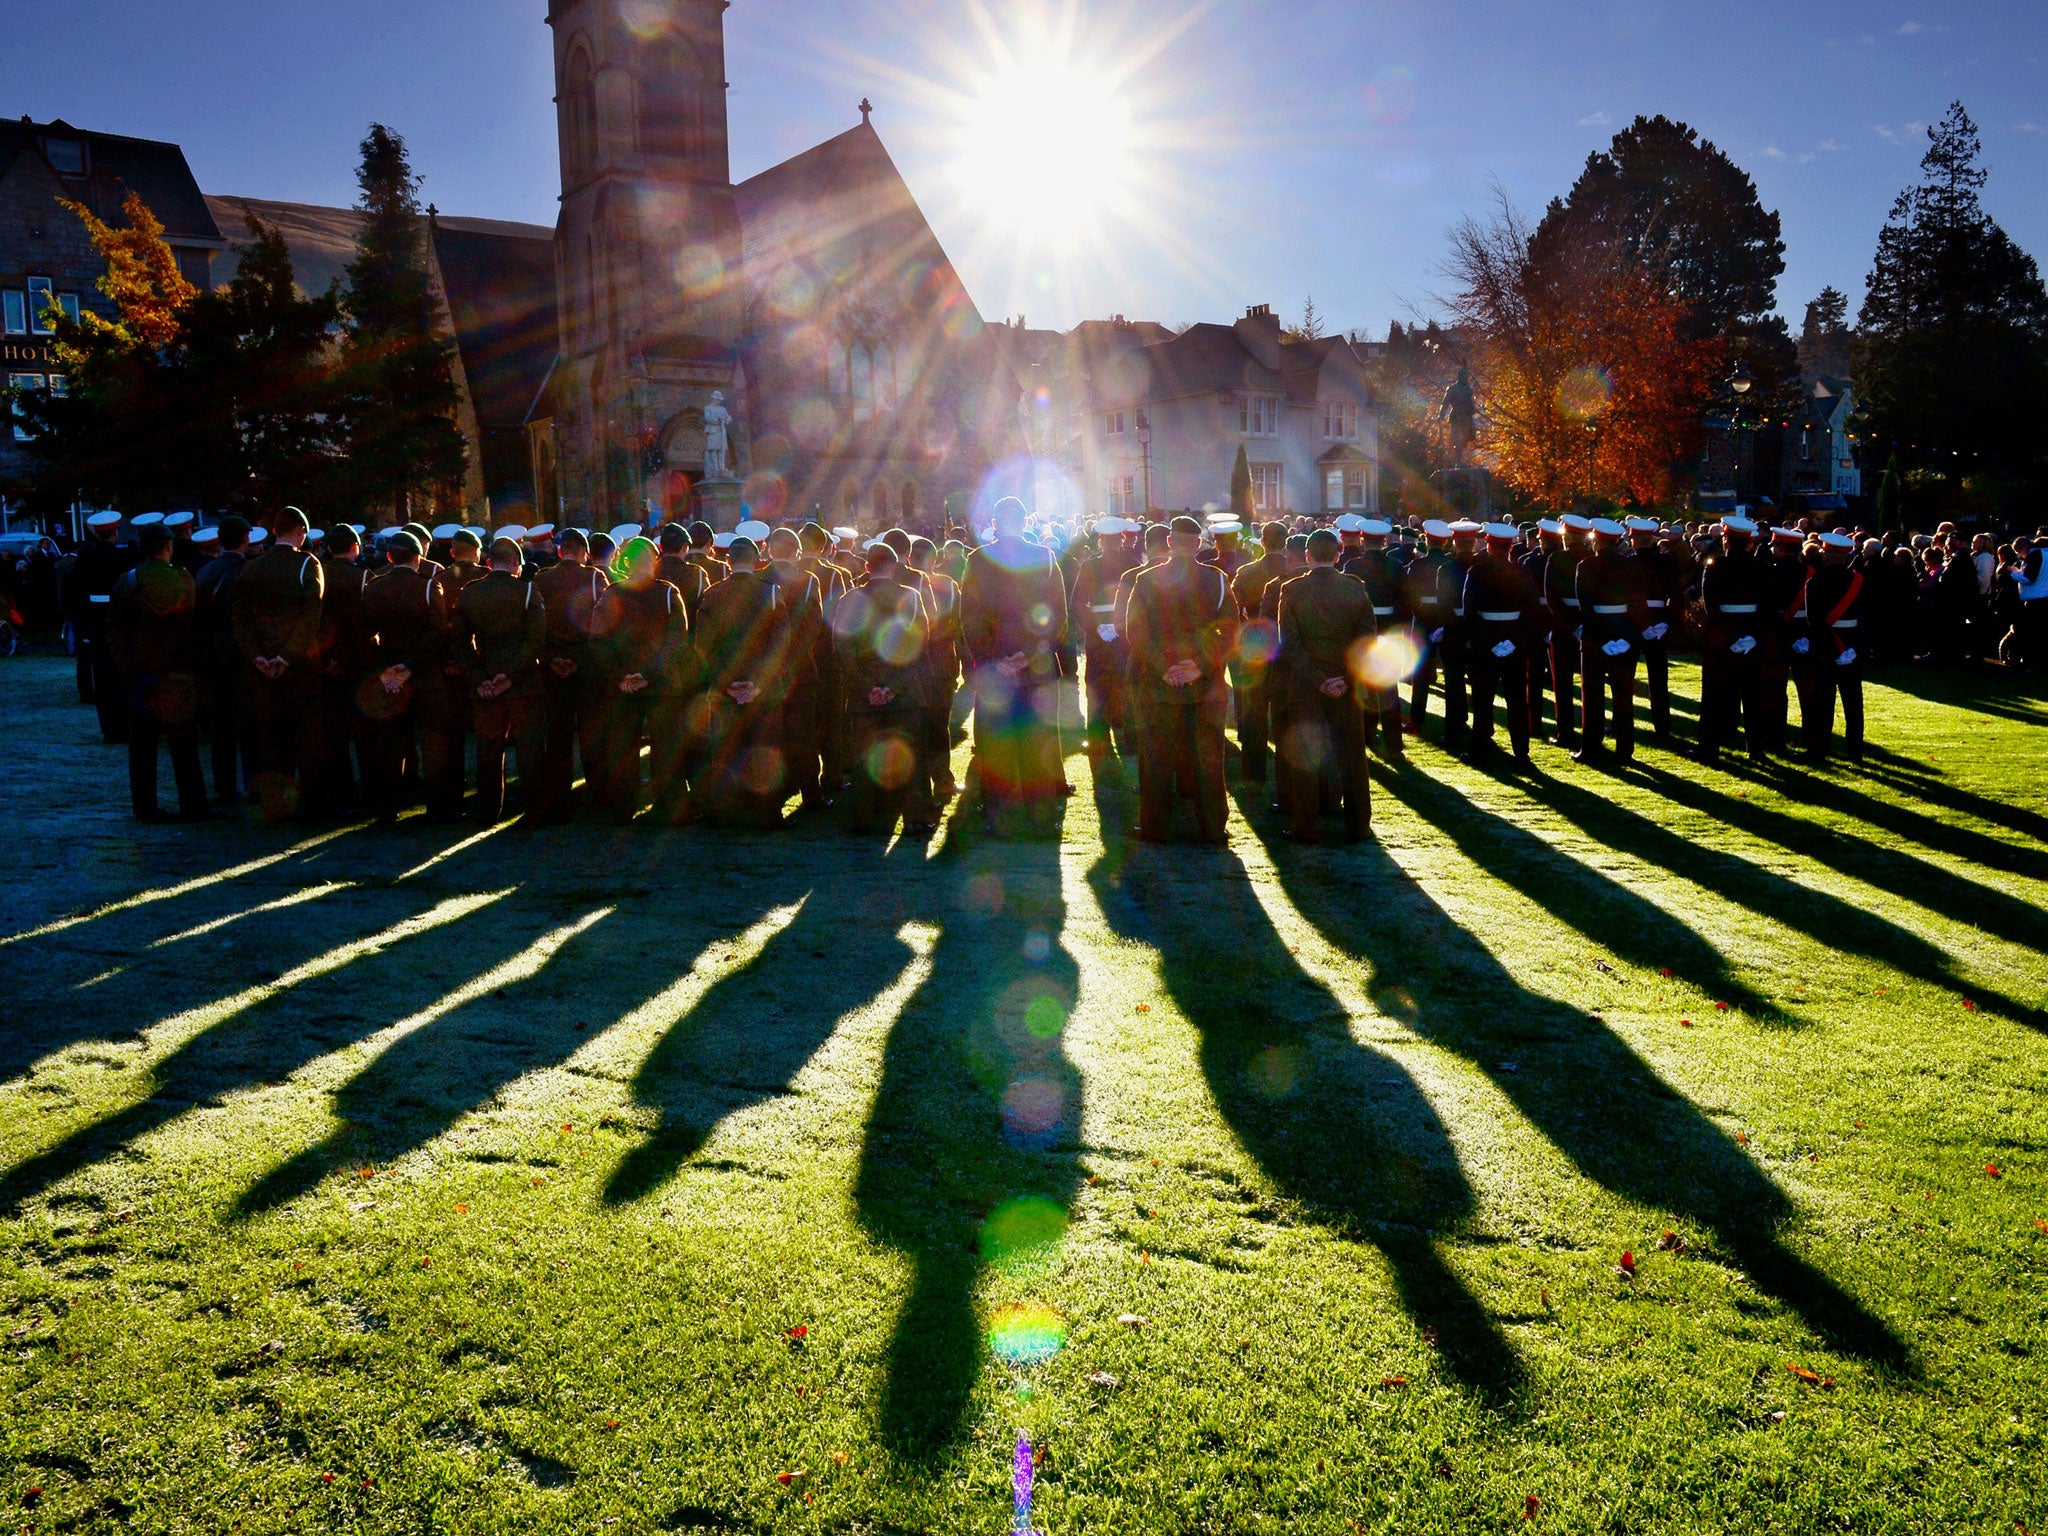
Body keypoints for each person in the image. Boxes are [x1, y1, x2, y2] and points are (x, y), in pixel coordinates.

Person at [958, 496, 1069, 836]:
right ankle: (1042, 818)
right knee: (1038, 743)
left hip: (996, 670)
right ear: (1023, 523)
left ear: (995, 522)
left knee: (997, 745)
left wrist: (995, 658)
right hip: (1033, 667)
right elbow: (1058, 617)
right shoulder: (1046, 557)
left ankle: (1001, 819)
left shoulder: (978, 560)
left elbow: (969, 618)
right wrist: (1029, 653)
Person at [1125, 516, 1234, 845]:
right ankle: (1213, 828)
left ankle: (1155, 828)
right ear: (1198, 545)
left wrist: (1163, 667)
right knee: (1209, 760)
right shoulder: (1215, 579)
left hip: (1160, 684)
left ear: (1170, 543)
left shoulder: (1146, 580)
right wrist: (1199, 666)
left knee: (1156, 760)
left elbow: (1136, 632)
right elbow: (1230, 632)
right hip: (1204, 684)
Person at [1274, 528, 1375, 842]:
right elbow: (1368, 642)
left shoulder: (1291, 590)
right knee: (1353, 756)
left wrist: (1320, 680)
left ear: (1307, 556)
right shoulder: (1355, 589)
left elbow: (1289, 644)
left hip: (1307, 685)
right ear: (1338, 553)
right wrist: (1343, 679)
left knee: (1306, 755)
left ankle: (1307, 826)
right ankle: (1357, 825)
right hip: (1345, 685)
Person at [108, 522, 209, 821]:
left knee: (142, 746)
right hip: (175, 673)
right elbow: (186, 628)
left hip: (138, 674)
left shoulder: (125, 583)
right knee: (183, 745)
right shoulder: (182, 579)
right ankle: (193, 804)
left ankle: (145, 806)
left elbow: (114, 631)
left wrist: (128, 664)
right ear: (167, 547)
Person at [588, 537, 693, 826]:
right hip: (659, 683)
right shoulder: (668, 593)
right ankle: (668, 807)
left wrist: (622, 674)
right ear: (654, 560)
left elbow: (598, 641)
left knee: (623, 748)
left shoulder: (612, 594)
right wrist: (647, 674)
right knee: (664, 747)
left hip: (627, 683)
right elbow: (678, 642)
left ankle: (623, 808)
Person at [693, 535, 796, 828]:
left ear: (728, 561)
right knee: (764, 750)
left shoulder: (713, 594)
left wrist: (726, 682)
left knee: (725, 750)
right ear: (757, 561)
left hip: (727, 686)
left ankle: (724, 813)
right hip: (760, 687)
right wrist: (758, 682)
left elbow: (703, 646)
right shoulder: (771, 592)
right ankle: (767, 814)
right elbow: (781, 643)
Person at [837, 541, 938, 836]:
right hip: (903, 687)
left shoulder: (849, 598)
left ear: (867, 567)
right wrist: (892, 686)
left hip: (863, 690)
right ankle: (916, 818)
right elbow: (918, 643)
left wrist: (869, 687)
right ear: (894, 567)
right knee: (910, 755)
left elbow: (842, 648)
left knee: (862, 758)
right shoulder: (910, 595)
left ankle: (862, 819)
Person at [231, 506, 325, 821]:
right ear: (300, 531)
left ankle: (275, 803)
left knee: (270, 737)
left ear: (274, 531)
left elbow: (240, 619)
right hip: (299, 665)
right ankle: (311, 802)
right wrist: (288, 656)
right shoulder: (307, 565)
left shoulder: (252, 567)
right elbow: (311, 617)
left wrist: (255, 655)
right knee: (307, 735)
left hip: (260, 666)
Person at [453, 537, 547, 825]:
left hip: (487, 681)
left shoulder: (469, 593)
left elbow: (458, 643)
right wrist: (511, 675)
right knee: (529, 749)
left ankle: (488, 812)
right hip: (522, 682)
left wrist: (479, 678)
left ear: (489, 563)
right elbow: (536, 641)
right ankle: (534, 812)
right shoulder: (528, 590)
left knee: (488, 750)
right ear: (516, 564)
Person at [358, 531, 439, 824]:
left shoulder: (374, 587)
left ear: (390, 557)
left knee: (390, 745)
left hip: (388, 676)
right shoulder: (428, 586)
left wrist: (387, 670)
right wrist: (409, 668)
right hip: (422, 676)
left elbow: (365, 634)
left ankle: (387, 807)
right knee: (430, 741)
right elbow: (437, 633)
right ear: (418, 558)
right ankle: (437, 806)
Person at [531, 528, 611, 824]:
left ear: (560, 551)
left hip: (554, 668)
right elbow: (602, 624)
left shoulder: (541, 579)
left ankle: (558, 796)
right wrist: (577, 658)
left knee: (558, 735)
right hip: (587, 666)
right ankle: (598, 793)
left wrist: (553, 658)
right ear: (584, 553)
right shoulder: (594, 578)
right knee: (591, 733)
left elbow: (537, 627)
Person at [1696, 515, 1769, 766]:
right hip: (1751, 632)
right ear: (1748, 542)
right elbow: (1767, 607)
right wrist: (1751, 636)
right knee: (1753, 695)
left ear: (1726, 539)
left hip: (1721, 636)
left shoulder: (1715, 565)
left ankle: (1709, 747)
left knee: (1714, 695)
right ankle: (1756, 747)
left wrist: (1729, 636)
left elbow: (1711, 606)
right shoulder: (1761, 566)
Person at [1462, 522, 1538, 762]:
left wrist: (1484, 639)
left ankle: (1480, 749)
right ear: (1509, 547)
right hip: (1514, 638)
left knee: (1483, 700)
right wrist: (1515, 639)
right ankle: (1521, 751)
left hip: (1485, 641)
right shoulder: (1522, 572)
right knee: (1516, 700)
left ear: (1489, 544)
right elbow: (1531, 609)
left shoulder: (1476, 572)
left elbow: (1469, 610)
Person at [1575, 518, 1647, 763]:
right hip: (1624, 632)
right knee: (1623, 695)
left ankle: (1591, 748)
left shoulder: (1586, 565)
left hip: (1596, 634)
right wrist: (1626, 635)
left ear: (1596, 540)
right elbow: (1638, 605)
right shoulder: (1631, 566)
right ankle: (1625, 749)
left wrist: (1601, 635)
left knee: (1592, 694)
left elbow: (1585, 605)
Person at [1794, 530, 1869, 760]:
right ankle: (1855, 750)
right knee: (1853, 702)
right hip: (1852, 643)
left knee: (1823, 702)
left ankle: (1819, 748)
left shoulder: (1815, 581)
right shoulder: (1858, 580)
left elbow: (1814, 621)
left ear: (1825, 555)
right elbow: (1869, 616)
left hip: (1825, 646)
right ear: (1847, 556)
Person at [1072, 518, 1142, 764]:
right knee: (1122, 684)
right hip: (1120, 631)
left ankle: (1100, 741)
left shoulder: (1091, 566)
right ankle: (1128, 740)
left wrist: (1097, 626)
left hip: (1105, 631)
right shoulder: (1132, 563)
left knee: (1099, 687)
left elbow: (1078, 603)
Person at [1337, 516, 1406, 760]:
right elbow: (1404, 603)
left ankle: (1366, 738)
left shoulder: (1353, 566)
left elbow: (1345, 603)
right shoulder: (1396, 566)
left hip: (1361, 631)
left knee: (1363, 688)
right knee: (1388, 688)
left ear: (1364, 541)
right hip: (1387, 629)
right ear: (1385, 541)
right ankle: (1394, 744)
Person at [1227, 521, 1291, 783]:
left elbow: (1233, 609)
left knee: (1253, 711)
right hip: (1287, 646)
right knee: (1286, 710)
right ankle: (1287, 777)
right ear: (1285, 543)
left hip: (1255, 645)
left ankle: (1253, 775)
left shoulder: (1247, 571)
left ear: (1262, 541)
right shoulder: (1294, 570)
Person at [193, 519, 250, 809]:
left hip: (213, 655)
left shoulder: (204, 571)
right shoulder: (249, 571)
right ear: (245, 539)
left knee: (221, 727)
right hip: (243, 653)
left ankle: (225, 787)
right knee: (251, 725)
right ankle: (253, 783)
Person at [316, 524, 372, 813]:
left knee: (333, 734)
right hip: (358, 663)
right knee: (365, 733)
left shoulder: (316, 573)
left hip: (325, 662)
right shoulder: (363, 577)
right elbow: (365, 626)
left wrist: (329, 658)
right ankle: (370, 792)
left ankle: (340, 793)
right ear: (354, 547)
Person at [66, 511, 136, 743]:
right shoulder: (122, 557)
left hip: (94, 622)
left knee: (102, 678)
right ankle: (125, 725)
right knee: (122, 676)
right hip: (120, 621)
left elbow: (75, 593)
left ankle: (109, 728)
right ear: (114, 532)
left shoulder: (86, 558)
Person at [1628, 518, 1682, 746]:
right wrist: (1667, 622)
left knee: (1625, 677)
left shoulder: (1628, 563)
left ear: (1634, 541)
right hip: (1659, 620)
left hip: (1632, 621)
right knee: (1658, 678)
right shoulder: (1666, 562)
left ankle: (1625, 723)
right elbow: (1677, 595)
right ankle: (1662, 725)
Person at [1542, 514, 1590, 752]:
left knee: (1562, 683)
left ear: (1568, 537)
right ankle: (1592, 727)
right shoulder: (1591, 558)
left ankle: (1566, 732)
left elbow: (1551, 596)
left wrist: (1570, 624)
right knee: (1591, 683)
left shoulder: (1557, 558)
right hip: (1589, 623)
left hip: (1562, 625)